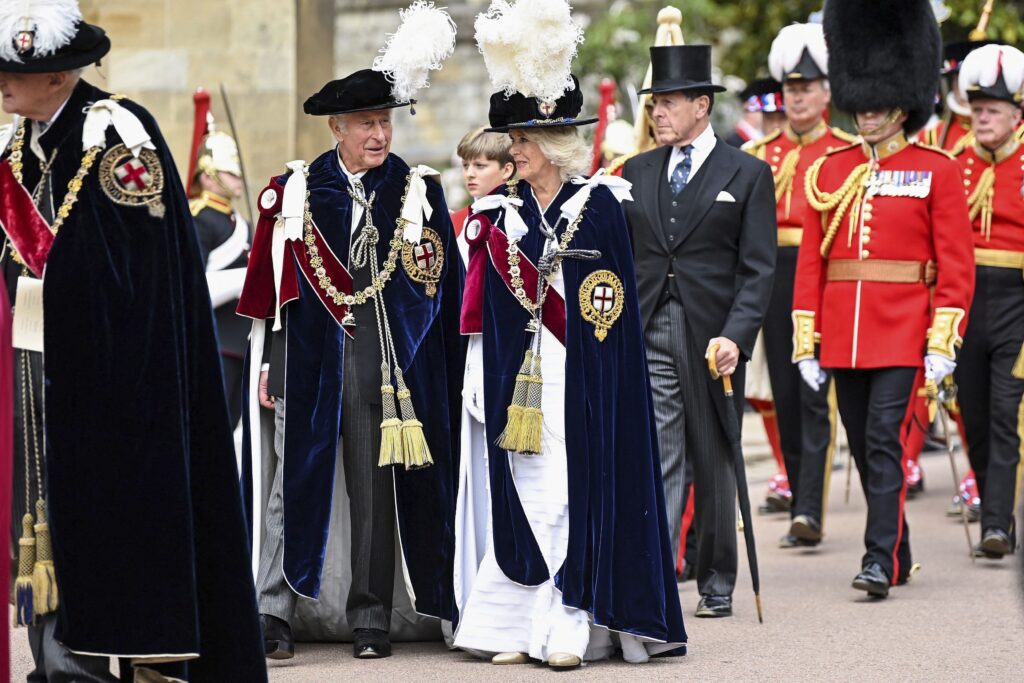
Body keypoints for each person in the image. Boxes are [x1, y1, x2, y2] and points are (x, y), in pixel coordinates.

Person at [0, 3, 266, 680]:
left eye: (13, 72)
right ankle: (59, 663)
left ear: (58, 76)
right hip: (35, 367)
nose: (1, 82)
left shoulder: (116, 134)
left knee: (113, 527)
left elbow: (137, 268)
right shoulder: (18, 146)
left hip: (119, 376)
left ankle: (125, 659)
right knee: (43, 518)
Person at [453, 70, 686, 666]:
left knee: (565, 495)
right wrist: (481, 374)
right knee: (528, 496)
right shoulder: (502, 214)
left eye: (523, 140)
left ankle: (571, 621)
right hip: (520, 386)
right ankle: (518, 627)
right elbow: (490, 313)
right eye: (513, 139)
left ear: (554, 143)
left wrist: (597, 378)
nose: (514, 150)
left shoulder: (600, 205)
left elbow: (611, 306)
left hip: (580, 379)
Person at [238, 66, 463, 661]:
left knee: (374, 495)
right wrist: (271, 365)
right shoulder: (300, 189)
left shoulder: (415, 191)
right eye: (366, 123)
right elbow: (278, 291)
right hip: (307, 363)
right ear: (337, 128)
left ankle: (370, 619)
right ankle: (273, 613)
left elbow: (436, 287)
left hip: (380, 370)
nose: (379, 134)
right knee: (290, 488)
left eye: (385, 122)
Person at [793, 0, 975, 598]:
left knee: (882, 443)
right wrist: (806, 342)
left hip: (903, 333)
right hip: (842, 338)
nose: (868, 112)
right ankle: (898, 551)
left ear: (903, 103)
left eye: (878, 104)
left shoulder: (937, 170)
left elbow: (956, 266)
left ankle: (876, 559)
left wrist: (943, 342)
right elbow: (812, 263)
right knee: (866, 447)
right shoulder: (830, 170)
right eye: (862, 103)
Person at [622, 44, 777, 618]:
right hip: (649, 325)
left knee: (714, 459)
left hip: (714, 337)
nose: (657, 112)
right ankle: (658, 580)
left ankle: (715, 579)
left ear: (701, 105)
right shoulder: (636, 171)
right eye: (654, 103)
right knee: (662, 455)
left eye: (667, 102)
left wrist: (737, 335)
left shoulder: (748, 172)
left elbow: (757, 269)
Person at [744, 22, 857, 549]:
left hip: (824, 281)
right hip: (772, 278)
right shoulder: (760, 154)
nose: (797, 98)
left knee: (815, 397)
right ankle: (796, 491)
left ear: (826, 93)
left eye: (807, 88)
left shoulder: (846, 152)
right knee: (785, 397)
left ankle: (809, 509)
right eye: (791, 89)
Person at [953, 43, 1024, 560]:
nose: (981, 118)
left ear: (1017, 115)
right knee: (973, 415)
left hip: (1018, 302)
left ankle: (997, 523)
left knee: (1004, 413)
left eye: (992, 110)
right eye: (976, 109)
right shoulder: (955, 163)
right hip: (965, 301)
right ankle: (992, 506)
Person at [187, 88, 251, 426]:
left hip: (242, 340)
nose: (238, 179)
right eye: (230, 173)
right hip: (213, 340)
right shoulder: (199, 217)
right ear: (208, 175)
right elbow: (192, 283)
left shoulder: (240, 222)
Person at [452, 125, 514, 263]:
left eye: (480, 166)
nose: (469, 174)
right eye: (465, 165)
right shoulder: (455, 222)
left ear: (506, 170)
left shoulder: (523, 219)